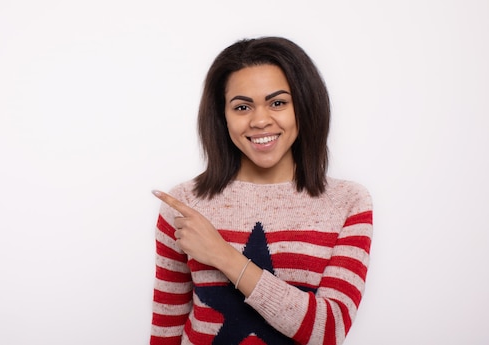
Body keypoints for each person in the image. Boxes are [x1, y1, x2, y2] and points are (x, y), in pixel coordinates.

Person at [149, 37, 373, 345]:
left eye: (278, 103)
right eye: (242, 107)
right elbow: (166, 328)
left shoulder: (348, 203)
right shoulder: (185, 203)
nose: (260, 120)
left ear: (304, 106)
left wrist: (222, 255)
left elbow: (328, 330)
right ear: (222, 115)